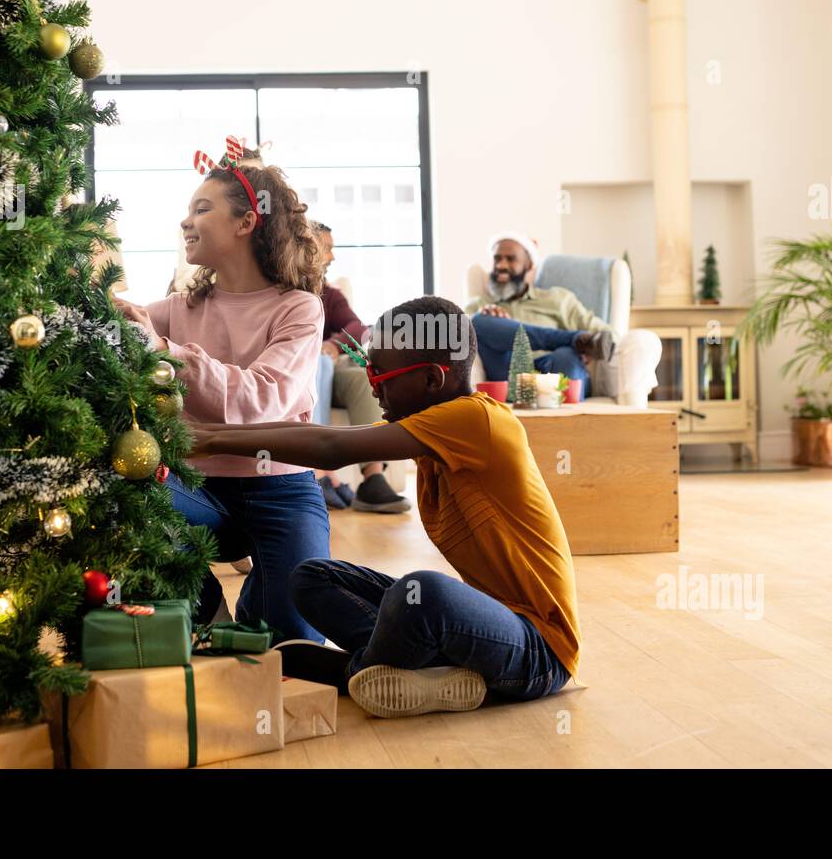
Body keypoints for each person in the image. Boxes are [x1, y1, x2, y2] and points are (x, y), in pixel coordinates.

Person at [186, 295, 579, 719]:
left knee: (426, 593)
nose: (372, 385)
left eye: (381, 374)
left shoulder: (475, 421)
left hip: (537, 653)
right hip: (480, 631)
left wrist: (210, 439)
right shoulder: (431, 426)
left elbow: (331, 448)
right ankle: (416, 672)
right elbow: (323, 433)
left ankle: (358, 671)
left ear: (432, 379)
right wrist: (210, 431)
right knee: (312, 576)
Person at [113, 141, 329, 642]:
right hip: (195, 486)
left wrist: (163, 350)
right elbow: (127, 335)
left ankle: (262, 592)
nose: (186, 222)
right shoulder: (177, 307)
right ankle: (208, 611)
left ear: (247, 222)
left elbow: (262, 401)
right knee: (130, 481)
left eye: (201, 209)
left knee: (296, 646)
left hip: (280, 489)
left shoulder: (298, 308)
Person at [311, 222, 410, 514]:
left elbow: (356, 326)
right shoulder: (280, 289)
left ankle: (373, 477)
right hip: (297, 371)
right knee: (317, 365)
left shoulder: (329, 294)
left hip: (330, 366)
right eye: (326, 248)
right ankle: (317, 472)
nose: (331, 257)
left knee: (362, 377)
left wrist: (332, 345)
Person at [465, 232, 617, 398]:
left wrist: (589, 348)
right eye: (497, 258)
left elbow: (607, 335)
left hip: (554, 371)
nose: (501, 265)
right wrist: (493, 325)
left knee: (566, 354)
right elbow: (460, 342)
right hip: (509, 376)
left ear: (529, 265)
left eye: (510, 259)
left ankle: (569, 345)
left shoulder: (557, 299)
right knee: (478, 322)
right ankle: (573, 338)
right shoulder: (479, 305)